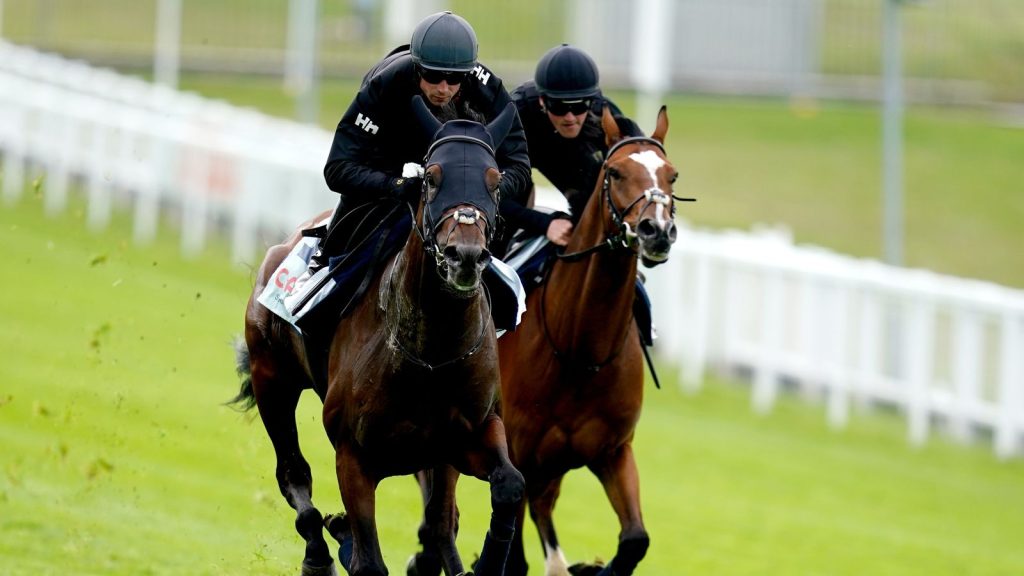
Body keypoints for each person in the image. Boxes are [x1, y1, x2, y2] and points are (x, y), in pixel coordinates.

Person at [310, 11, 532, 274]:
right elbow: (338, 169)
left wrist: (484, 190)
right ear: (417, 68)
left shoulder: (488, 90)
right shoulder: (384, 85)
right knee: (356, 209)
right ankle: (323, 261)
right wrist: (396, 186)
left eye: (454, 79)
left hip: (459, 182)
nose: (443, 88)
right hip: (389, 161)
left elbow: (519, 166)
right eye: (433, 76)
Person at [509, 43, 643, 247]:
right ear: (542, 101)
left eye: (579, 106)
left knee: (598, 208)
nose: (570, 118)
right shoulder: (514, 113)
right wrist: (545, 223)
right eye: (559, 107)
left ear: (591, 101)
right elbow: (479, 194)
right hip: (521, 155)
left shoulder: (604, 114)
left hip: (575, 159)